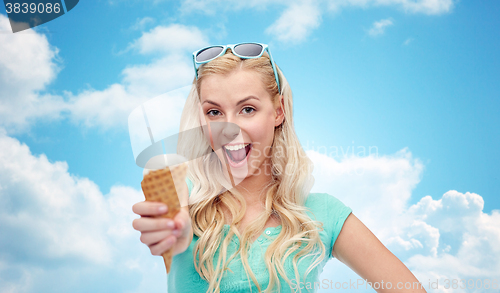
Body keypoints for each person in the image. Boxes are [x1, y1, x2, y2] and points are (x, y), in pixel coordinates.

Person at [132, 43, 427, 293]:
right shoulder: (180, 189)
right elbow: (175, 224)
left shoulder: (323, 214)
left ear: (278, 111)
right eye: (214, 112)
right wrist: (176, 230)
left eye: (247, 109)